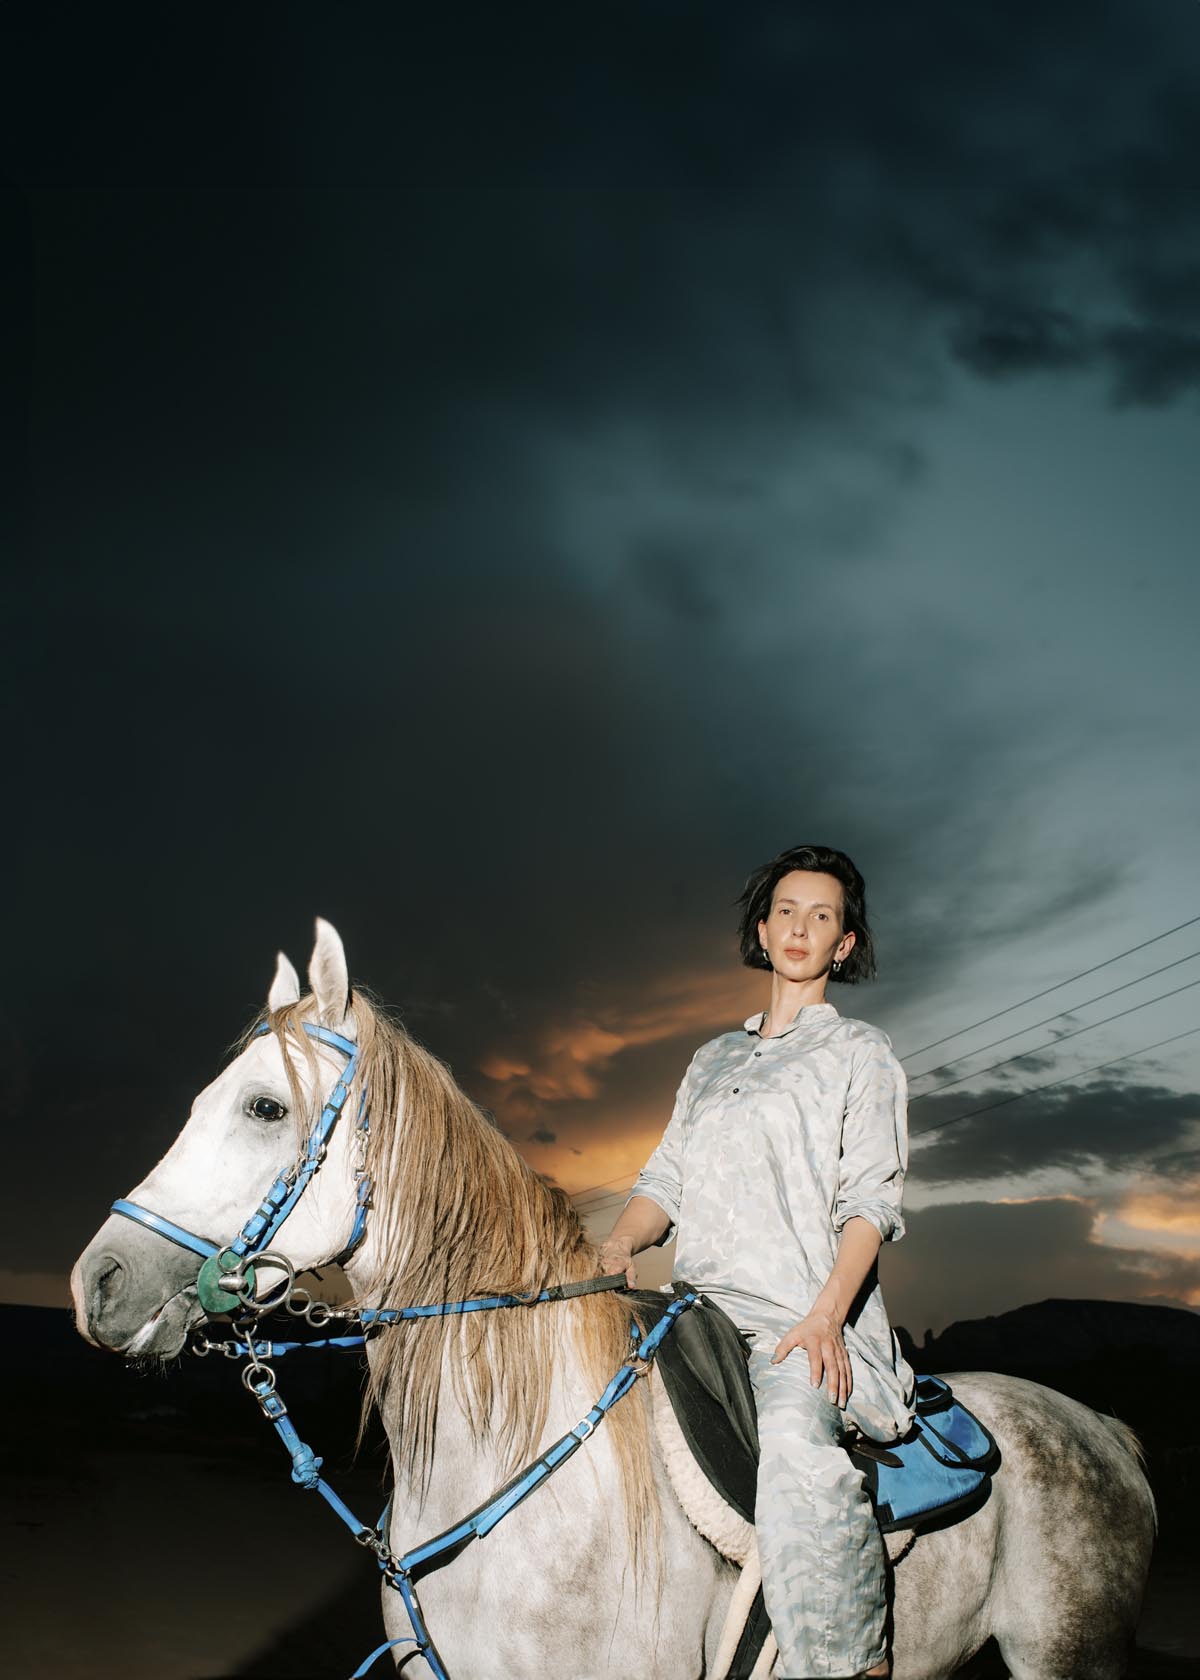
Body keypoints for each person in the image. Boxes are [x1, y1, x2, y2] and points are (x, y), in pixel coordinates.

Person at [600, 843, 915, 1680]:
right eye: (786, 910)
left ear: (843, 945)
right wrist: (619, 1241)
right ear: (763, 929)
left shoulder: (861, 1055)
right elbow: (664, 1179)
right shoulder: (712, 1059)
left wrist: (824, 1318)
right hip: (692, 1310)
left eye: (823, 915)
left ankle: (848, 1664)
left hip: (796, 1319)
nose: (801, 926)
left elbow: (870, 1204)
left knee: (793, 1448)